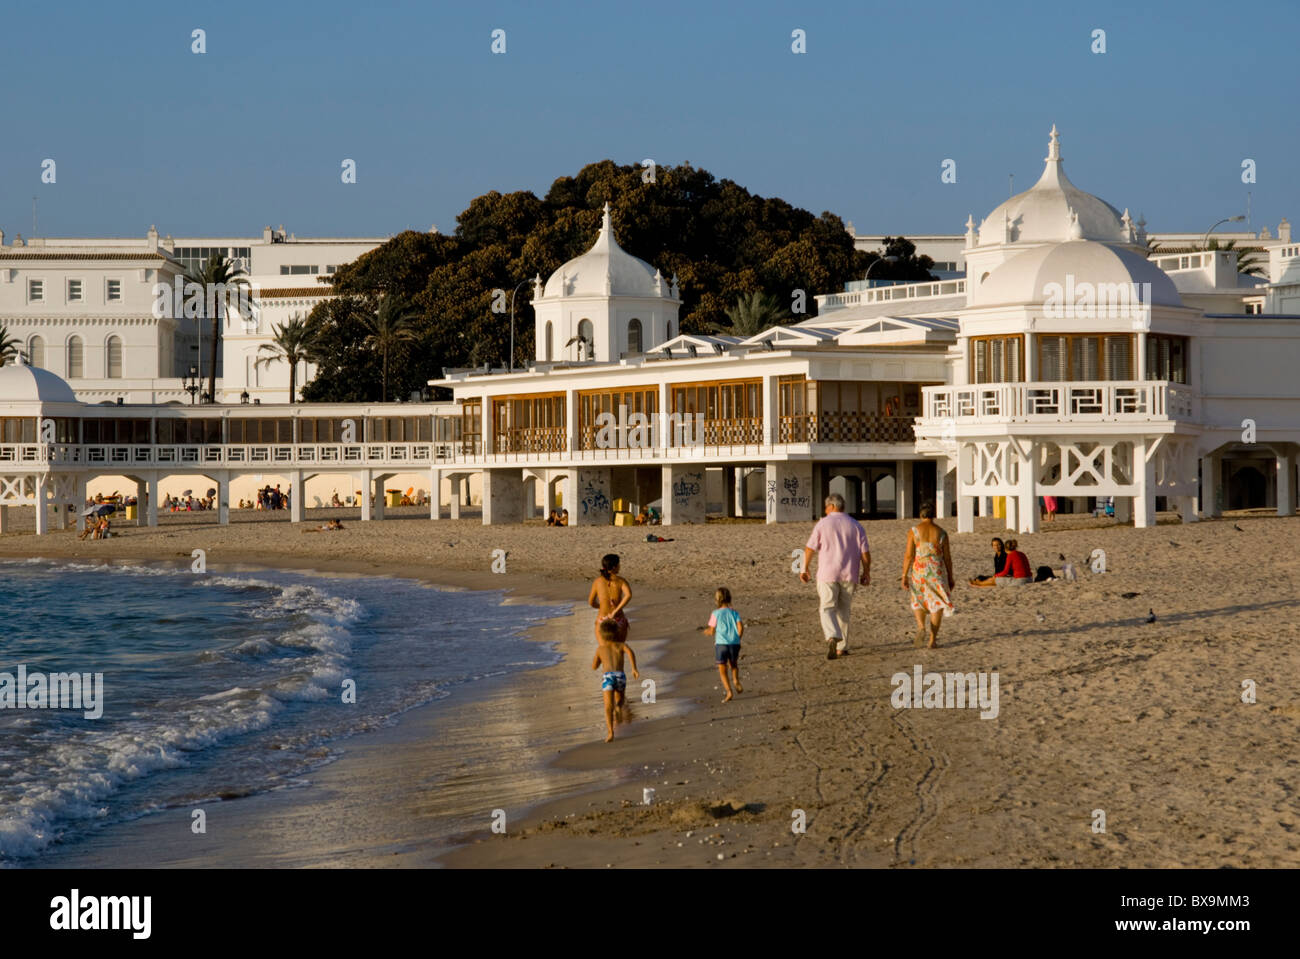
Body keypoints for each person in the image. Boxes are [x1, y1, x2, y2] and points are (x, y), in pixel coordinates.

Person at [801, 493, 871, 660]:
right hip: (849, 573)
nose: (825, 510)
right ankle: (842, 647)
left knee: (827, 608)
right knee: (844, 610)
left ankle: (832, 636)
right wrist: (866, 572)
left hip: (827, 573)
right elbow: (865, 553)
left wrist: (804, 568)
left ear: (831, 506)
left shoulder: (823, 524)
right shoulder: (855, 525)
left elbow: (810, 548)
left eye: (826, 507)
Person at [902, 503, 955, 648]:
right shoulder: (942, 533)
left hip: (920, 570)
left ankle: (921, 627)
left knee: (919, 599)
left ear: (921, 515)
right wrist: (950, 577)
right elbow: (948, 558)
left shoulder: (914, 531)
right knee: (936, 603)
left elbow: (908, 555)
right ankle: (933, 639)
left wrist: (904, 575)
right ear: (934, 515)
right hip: (936, 570)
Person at [591, 618, 639, 742]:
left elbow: (594, 666)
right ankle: (618, 707)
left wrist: (597, 664)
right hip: (620, 676)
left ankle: (610, 732)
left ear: (601, 634)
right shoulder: (621, 645)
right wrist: (634, 668)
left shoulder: (600, 649)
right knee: (621, 699)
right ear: (617, 632)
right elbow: (630, 652)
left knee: (607, 706)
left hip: (608, 677)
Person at [703, 587, 744, 702]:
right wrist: (738, 638)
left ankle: (729, 691)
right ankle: (735, 680)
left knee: (722, 669)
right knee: (734, 665)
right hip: (734, 643)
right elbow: (740, 627)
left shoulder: (715, 613)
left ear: (717, 600)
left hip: (721, 644)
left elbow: (712, 630)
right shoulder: (734, 613)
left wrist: (707, 631)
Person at [588, 553, 632, 644]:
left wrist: (601, 606)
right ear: (614, 567)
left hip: (602, 619)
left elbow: (591, 602)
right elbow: (628, 595)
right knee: (619, 650)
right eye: (619, 564)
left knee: (604, 650)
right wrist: (615, 611)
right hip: (618, 618)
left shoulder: (597, 581)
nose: (620, 566)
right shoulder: (620, 581)